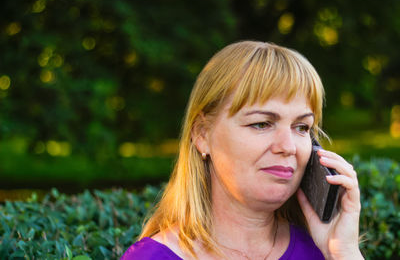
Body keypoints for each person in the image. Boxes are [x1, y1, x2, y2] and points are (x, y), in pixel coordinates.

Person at [121, 41, 363, 259]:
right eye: (261, 123)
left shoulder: (323, 250)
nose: (288, 147)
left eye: (301, 127)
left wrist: (345, 253)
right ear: (202, 135)